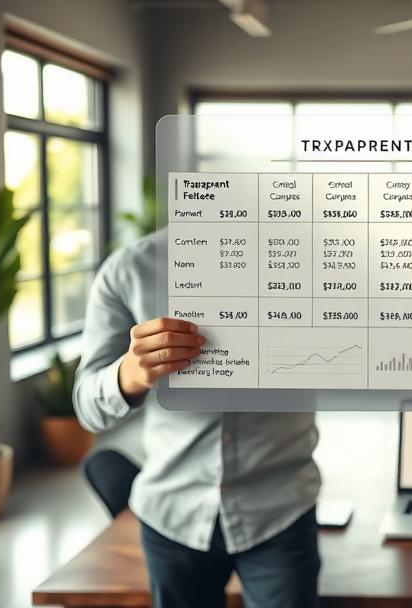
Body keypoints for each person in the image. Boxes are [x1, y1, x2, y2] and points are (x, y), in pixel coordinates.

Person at [73, 230, 321, 608]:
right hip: (173, 510)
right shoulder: (130, 270)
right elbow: (87, 407)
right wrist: (130, 374)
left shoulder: (326, 265)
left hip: (280, 508)